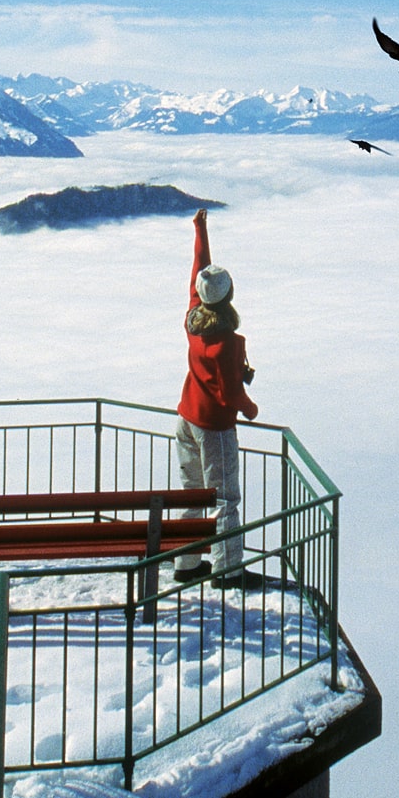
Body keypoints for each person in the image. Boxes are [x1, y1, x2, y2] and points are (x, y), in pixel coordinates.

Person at [176, 208, 260, 588]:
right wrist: (250, 406)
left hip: (186, 419)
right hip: (213, 427)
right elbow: (228, 394)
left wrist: (201, 229)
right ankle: (228, 572)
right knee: (226, 499)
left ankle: (187, 562)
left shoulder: (194, 317)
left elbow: (199, 269)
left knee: (192, 493)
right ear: (229, 296)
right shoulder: (226, 342)